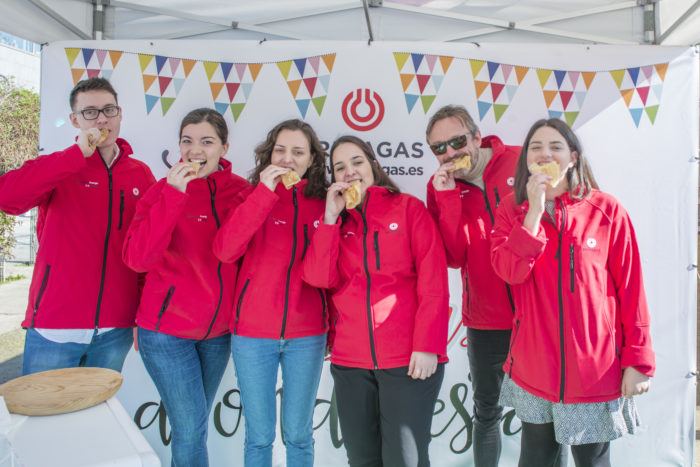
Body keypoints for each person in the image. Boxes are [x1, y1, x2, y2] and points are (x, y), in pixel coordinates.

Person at [490, 118, 655, 467]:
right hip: (533, 365)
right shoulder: (511, 210)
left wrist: (638, 360)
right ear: (527, 161)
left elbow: (631, 289)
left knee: (592, 461)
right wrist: (533, 213)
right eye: (536, 147)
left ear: (573, 158)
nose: (545, 153)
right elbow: (509, 272)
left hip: (594, 369)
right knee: (536, 457)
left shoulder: (606, 210)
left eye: (555, 147)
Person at [302, 135, 449, 467]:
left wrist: (427, 345)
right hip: (351, 364)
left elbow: (434, 282)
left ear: (372, 164)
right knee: (362, 459)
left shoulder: (409, 209)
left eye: (356, 162)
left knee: (404, 460)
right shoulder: (338, 224)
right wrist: (329, 219)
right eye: (340, 167)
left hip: (408, 361)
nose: (350, 172)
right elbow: (318, 278)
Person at [0, 77, 155, 375]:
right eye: (90, 112)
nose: (101, 118)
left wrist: (141, 314)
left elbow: (145, 249)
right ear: (74, 120)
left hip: (115, 327)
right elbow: (8, 199)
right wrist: (75, 156)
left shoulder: (141, 174)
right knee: (43, 417)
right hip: (54, 326)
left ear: (120, 114)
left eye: (109, 109)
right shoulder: (59, 166)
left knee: (94, 418)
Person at [122, 108, 249, 467]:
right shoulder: (162, 190)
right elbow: (138, 259)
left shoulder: (242, 193)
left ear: (223, 147)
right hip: (165, 333)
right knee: (191, 429)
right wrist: (174, 195)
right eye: (187, 141)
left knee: (192, 426)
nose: (195, 150)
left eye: (207, 141)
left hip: (218, 334)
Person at [212, 119, 329, 467]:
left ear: (311, 160)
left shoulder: (324, 203)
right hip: (252, 334)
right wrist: (264, 194)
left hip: (307, 335)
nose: (288, 159)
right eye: (280, 149)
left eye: (298, 151)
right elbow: (225, 250)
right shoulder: (250, 195)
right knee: (259, 436)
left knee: (298, 433)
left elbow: (332, 272)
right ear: (269, 153)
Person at [425, 104, 526, 467]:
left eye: (457, 141)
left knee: (545, 415)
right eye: (439, 148)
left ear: (476, 137)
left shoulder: (521, 160)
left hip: (537, 314)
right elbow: (452, 257)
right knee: (487, 412)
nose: (450, 153)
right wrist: (448, 197)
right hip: (486, 320)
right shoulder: (438, 187)